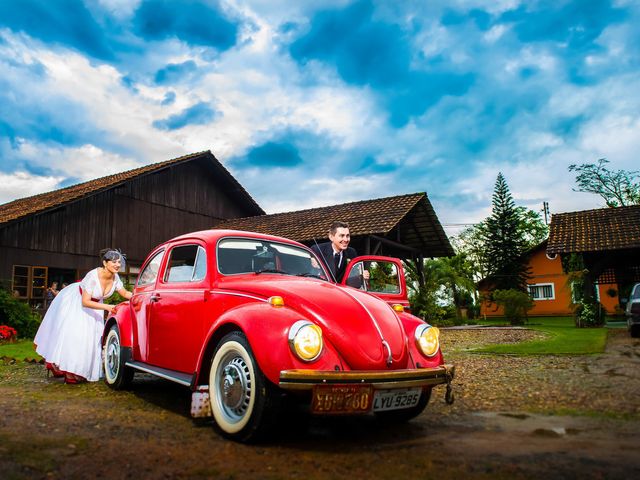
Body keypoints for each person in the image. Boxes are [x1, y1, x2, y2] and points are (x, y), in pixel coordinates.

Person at [34, 249, 132, 384]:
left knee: (90, 339)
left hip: (96, 306)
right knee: (75, 337)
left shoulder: (115, 278)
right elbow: (85, 302)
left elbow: (125, 293)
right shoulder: (93, 276)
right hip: (76, 302)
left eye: (119, 262)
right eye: (114, 262)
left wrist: (138, 296)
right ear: (105, 263)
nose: (117, 265)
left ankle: (80, 369)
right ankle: (68, 371)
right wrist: (108, 307)